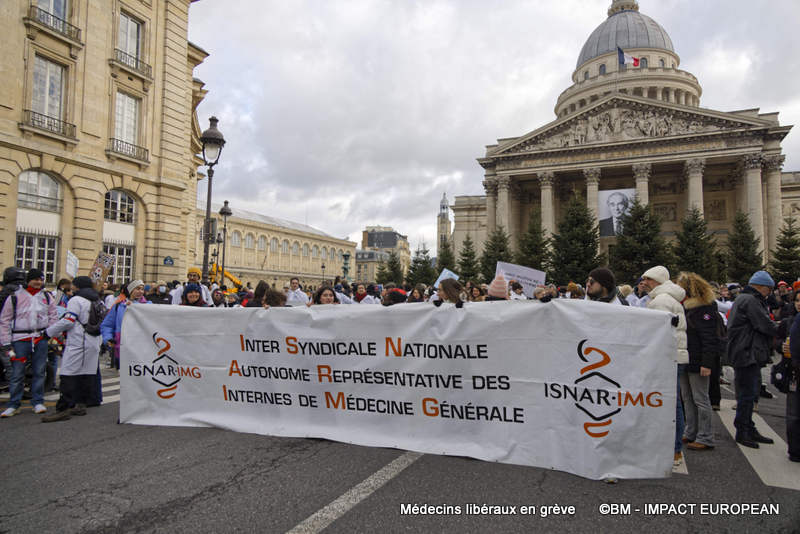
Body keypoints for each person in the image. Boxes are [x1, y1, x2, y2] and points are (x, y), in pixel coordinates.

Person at [641, 265, 688, 467]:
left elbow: (657, 333)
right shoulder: (668, 298)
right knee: (674, 402)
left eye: (647, 279)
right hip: (675, 357)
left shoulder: (660, 301)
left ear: (656, 281)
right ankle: (674, 448)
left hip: (666, 358)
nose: (644, 282)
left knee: (670, 405)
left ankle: (674, 449)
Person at [726, 270, 779, 449]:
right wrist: (785, 326)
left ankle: (748, 426)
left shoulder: (745, 298)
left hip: (746, 351)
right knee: (747, 393)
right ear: (761, 287)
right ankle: (743, 430)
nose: (769, 293)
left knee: (748, 392)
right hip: (747, 352)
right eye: (768, 289)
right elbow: (764, 324)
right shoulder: (750, 300)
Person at [40, 276, 103, 422]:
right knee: (86, 373)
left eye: (73, 284)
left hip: (79, 341)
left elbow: (68, 321)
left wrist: (48, 332)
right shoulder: (96, 299)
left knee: (68, 373)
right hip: (93, 340)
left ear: (78, 286)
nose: (71, 286)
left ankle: (63, 408)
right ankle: (80, 404)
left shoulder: (76, 300)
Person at [0, 268, 58, 417]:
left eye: (41, 279)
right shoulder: (15, 297)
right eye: (35, 279)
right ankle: (14, 404)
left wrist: (49, 333)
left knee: (39, 371)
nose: (38, 282)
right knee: (16, 372)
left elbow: (53, 315)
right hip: (19, 339)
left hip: (40, 338)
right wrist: (6, 341)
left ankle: (38, 401)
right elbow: (5, 320)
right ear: (28, 280)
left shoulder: (47, 296)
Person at [676, 272, 718, 451]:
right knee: (687, 398)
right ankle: (691, 431)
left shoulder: (704, 309)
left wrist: (707, 364)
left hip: (698, 360)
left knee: (701, 399)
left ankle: (705, 436)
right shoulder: (688, 308)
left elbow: (709, 339)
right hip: (686, 358)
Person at [100, 280, 150, 370]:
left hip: (142, 349)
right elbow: (107, 325)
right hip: (122, 348)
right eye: (137, 289)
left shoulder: (148, 305)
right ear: (130, 290)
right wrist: (108, 338)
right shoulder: (119, 306)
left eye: (142, 289)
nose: (141, 291)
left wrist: (135, 306)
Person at [787, 296, 800, 462]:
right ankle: (795, 450)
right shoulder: (792, 319)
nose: (799, 303)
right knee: (794, 413)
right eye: (797, 300)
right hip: (795, 371)